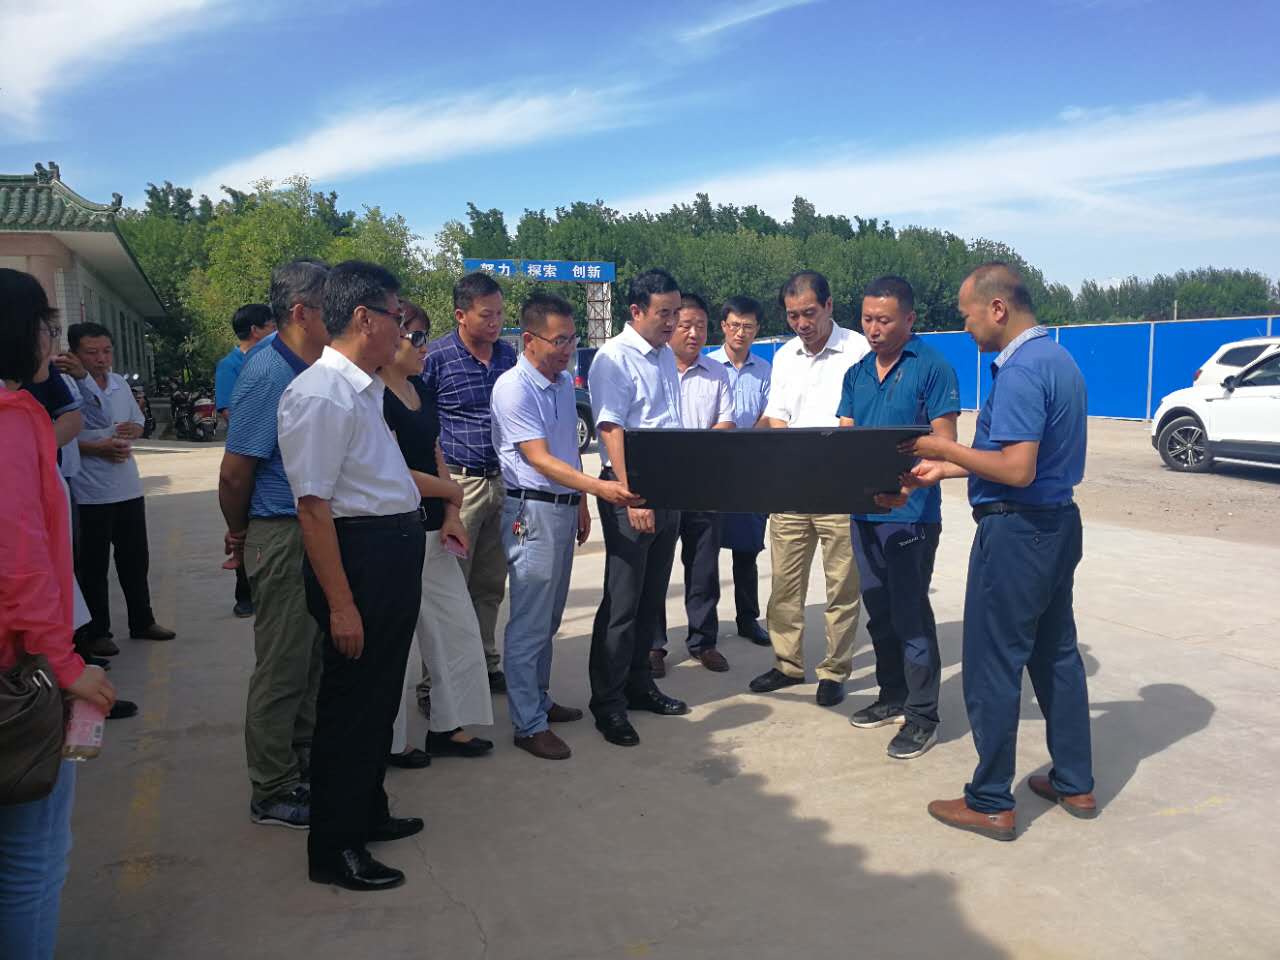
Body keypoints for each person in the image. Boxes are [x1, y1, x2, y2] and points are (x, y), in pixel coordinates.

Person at [904, 262, 1095, 841]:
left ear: (997, 309)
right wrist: (947, 469)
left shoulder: (1020, 371)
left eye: (966, 315)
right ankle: (1074, 780)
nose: (965, 327)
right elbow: (1025, 464)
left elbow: (1016, 468)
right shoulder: (1058, 360)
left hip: (1017, 535)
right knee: (1056, 655)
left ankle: (990, 800)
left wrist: (943, 448)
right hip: (1055, 524)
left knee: (993, 663)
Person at [278, 260, 426, 891]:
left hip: (389, 554)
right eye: (397, 318)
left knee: (379, 698)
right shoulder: (320, 394)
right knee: (349, 709)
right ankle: (335, 848)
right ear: (365, 318)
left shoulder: (362, 389)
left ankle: (367, 810)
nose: (404, 333)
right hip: (358, 561)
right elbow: (313, 509)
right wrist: (341, 605)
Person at [0, 267, 117, 960]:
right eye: (46, 325)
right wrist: (66, 668)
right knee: (31, 859)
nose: (52, 338)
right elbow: (20, 563)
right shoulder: (13, 419)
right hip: (17, 677)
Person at [491, 292, 642, 760]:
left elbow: (567, 450)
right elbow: (538, 458)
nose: (567, 349)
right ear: (530, 339)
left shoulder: (558, 384)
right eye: (559, 341)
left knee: (550, 616)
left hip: (560, 506)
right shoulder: (513, 388)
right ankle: (527, 724)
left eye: (572, 339)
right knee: (530, 622)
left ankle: (538, 699)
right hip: (531, 512)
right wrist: (600, 488)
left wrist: (579, 500)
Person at [217, 261, 330, 829]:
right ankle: (272, 786)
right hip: (281, 530)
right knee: (283, 664)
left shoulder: (315, 365)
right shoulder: (268, 372)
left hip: (314, 527)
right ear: (301, 312)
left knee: (312, 659)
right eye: (331, 305)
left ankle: (302, 758)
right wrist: (241, 534)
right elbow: (235, 472)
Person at [836, 276, 960, 761]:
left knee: (910, 615)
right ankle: (892, 695)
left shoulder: (932, 368)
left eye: (884, 320)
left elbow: (946, 446)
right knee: (879, 611)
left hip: (911, 516)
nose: (874, 329)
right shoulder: (857, 374)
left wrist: (911, 482)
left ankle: (923, 716)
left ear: (909, 318)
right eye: (867, 319)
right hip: (864, 514)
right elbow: (846, 440)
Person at [383, 300, 494, 768]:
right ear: (389, 338)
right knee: (394, 644)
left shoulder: (419, 390)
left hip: (433, 528)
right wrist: (450, 489)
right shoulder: (373, 397)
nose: (425, 347)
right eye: (417, 337)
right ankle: (389, 742)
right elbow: (390, 469)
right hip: (393, 532)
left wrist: (452, 511)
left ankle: (449, 725)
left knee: (456, 630)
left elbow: (434, 451)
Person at [750, 271, 868, 707]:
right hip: (793, 487)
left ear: (829, 306)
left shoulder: (858, 349)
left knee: (842, 586)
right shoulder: (785, 356)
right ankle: (787, 663)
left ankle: (835, 670)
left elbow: (860, 416)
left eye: (809, 313)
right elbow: (777, 416)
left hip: (840, 487)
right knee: (785, 582)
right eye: (793, 315)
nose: (802, 323)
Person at [587, 268, 690, 747]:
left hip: (667, 488)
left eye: (676, 312)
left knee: (651, 598)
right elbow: (611, 430)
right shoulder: (614, 358)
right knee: (622, 603)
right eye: (663, 313)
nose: (673, 322)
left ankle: (639, 685)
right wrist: (633, 497)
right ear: (636, 311)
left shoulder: (664, 354)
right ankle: (607, 703)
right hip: (631, 490)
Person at [423, 271, 517, 693]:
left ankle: (484, 663)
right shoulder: (436, 358)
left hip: (501, 481)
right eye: (486, 315)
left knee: (490, 584)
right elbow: (421, 425)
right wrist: (443, 492)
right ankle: (438, 683)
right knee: (450, 588)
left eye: (499, 313)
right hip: (459, 485)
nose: (495, 322)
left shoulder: (507, 356)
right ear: (461, 315)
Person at [68, 322, 175, 652]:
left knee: (135, 559)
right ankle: (98, 632)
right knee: (94, 565)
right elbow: (60, 437)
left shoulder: (118, 384)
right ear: (74, 354)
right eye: (92, 352)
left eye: (106, 351)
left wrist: (134, 429)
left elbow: (138, 422)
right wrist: (95, 448)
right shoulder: (68, 387)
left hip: (127, 486)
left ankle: (142, 620)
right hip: (90, 492)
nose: (101, 359)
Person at [652, 292, 734, 678]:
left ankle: (703, 641)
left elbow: (726, 421)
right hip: (662, 484)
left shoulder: (717, 372)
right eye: (685, 325)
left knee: (703, 567)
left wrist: (695, 452)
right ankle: (653, 644)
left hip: (704, 484)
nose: (693, 333)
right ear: (670, 326)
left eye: (700, 325)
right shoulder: (654, 368)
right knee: (656, 567)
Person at [706, 295, 772, 647]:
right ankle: (705, 627)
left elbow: (771, 413)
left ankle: (748, 619)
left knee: (747, 551)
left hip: (751, 470)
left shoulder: (765, 370)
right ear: (723, 326)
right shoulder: (707, 365)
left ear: (757, 329)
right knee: (705, 553)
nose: (740, 332)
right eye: (734, 325)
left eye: (748, 326)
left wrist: (746, 444)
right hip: (713, 471)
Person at [215, 303, 277, 619]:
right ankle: (245, 593)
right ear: (255, 330)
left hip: (266, 453)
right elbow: (228, 409)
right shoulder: (233, 365)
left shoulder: (274, 359)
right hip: (249, 452)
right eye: (271, 326)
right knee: (245, 527)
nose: (276, 331)